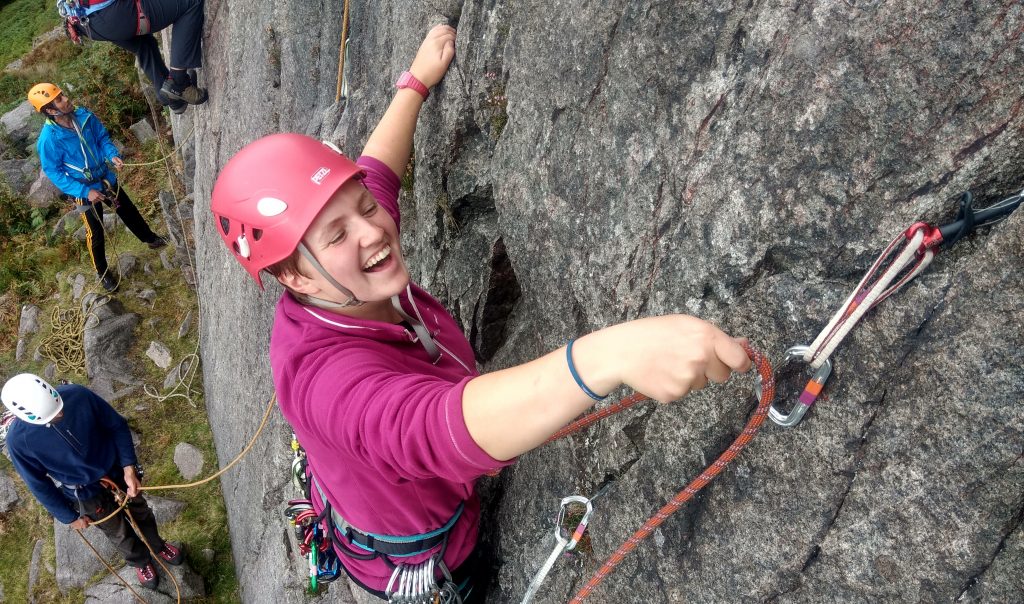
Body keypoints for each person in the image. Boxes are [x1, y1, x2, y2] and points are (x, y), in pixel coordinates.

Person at [210, 24, 751, 601]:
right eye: (340, 232)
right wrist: (611, 355)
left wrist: (413, 84)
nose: (374, 230)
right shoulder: (324, 381)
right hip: (425, 553)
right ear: (291, 276)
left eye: (365, 207)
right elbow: (428, 428)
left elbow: (377, 170)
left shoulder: (337, 269)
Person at [1, 374, 183, 590]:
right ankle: (140, 561)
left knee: (140, 511)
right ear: (29, 416)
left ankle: (158, 545)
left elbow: (116, 425)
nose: (60, 412)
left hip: (117, 471)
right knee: (117, 531)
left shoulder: (77, 395)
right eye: (52, 416)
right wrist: (69, 517)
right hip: (84, 493)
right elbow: (38, 484)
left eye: (58, 407)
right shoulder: (19, 442)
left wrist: (129, 467)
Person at [30, 83, 167, 293]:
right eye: (59, 99)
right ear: (50, 110)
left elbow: (102, 138)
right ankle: (102, 273)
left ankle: (150, 238)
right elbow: (54, 172)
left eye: (63, 95)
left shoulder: (84, 116)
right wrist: (85, 192)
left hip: (105, 178)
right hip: (84, 191)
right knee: (95, 233)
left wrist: (111, 154)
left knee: (128, 211)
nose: (66, 99)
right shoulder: (49, 139)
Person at [71, 0, 207, 113]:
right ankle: (178, 83)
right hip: (110, 13)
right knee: (190, 3)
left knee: (144, 44)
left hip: (85, 22)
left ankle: (171, 97)